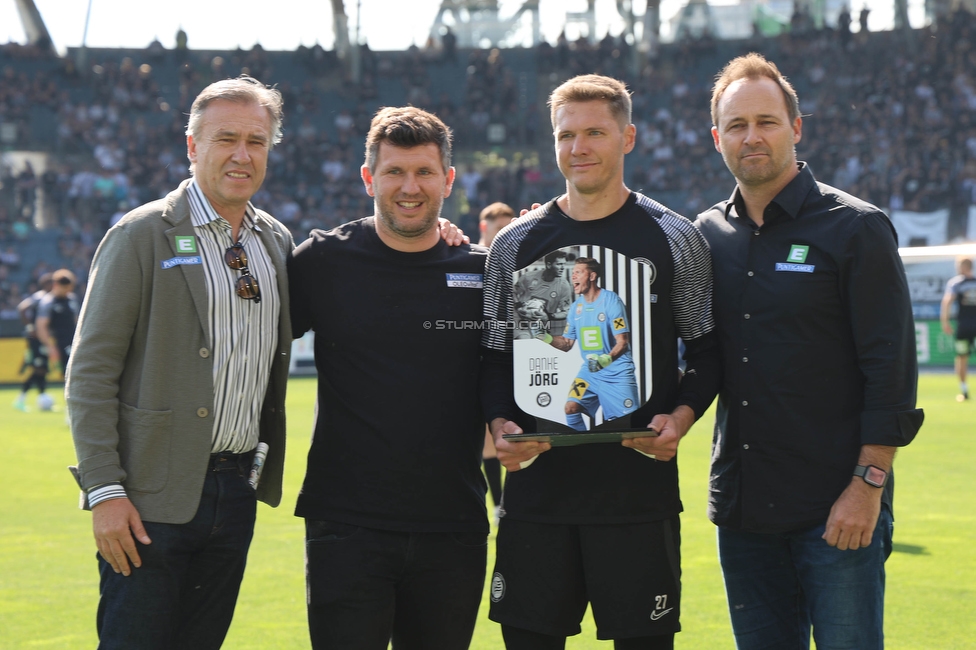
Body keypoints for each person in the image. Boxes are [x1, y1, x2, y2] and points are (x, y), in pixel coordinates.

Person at [482, 74, 720, 649]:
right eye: (566, 135)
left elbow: (710, 352)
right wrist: (498, 424)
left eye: (595, 132)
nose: (578, 147)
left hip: (637, 498)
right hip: (538, 497)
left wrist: (681, 418)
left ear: (628, 137)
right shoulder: (514, 243)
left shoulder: (674, 237)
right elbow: (492, 357)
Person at [695, 53, 924, 650]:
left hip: (837, 507)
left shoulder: (855, 228)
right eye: (737, 125)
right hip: (744, 513)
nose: (752, 137)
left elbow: (891, 372)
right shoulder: (704, 235)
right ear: (717, 137)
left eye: (766, 121)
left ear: (796, 128)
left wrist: (867, 485)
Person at [66, 76, 295, 650]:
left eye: (257, 141)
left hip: (235, 491)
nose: (242, 154)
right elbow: (90, 372)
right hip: (148, 498)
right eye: (226, 139)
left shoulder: (275, 242)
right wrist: (103, 491)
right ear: (192, 146)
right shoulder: (142, 233)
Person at [288, 106, 488, 650]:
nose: (409, 187)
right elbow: (245, 339)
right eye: (395, 172)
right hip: (346, 526)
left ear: (448, 180)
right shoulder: (321, 262)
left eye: (424, 172)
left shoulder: (480, 270)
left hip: (453, 525)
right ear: (368, 177)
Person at [533, 256, 640, 431]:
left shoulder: (611, 301)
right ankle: (584, 446)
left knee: (625, 426)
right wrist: (545, 337)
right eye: (573, 273)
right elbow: (567, 344)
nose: (573, 276)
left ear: (592, 276)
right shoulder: (576, 308)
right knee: (571, 408)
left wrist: (605, 360)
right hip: (590, 373)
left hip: (616, 372)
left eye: (578, 272)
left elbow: (623, 342)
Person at [479, 201, 515, 520]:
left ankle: (501, 504)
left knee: (502, 439)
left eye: (508, 226)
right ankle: (495, 504)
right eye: (497, 228)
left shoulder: (518, 262)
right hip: (472, 364)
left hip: (507, 364)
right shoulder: (471, 260)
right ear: (484, 228)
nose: (503, 233)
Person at [13, 272, 53, 411]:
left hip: (42, 337)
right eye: (51, 283)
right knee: (39, 367)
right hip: (35, 338)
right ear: (46, 284)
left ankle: (41, 397)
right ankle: (21, 399)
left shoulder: (49, 298)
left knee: (42, 368)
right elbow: (22, 308)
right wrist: (30, 327)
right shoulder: (40, 296)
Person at [512, 249, 574, 338]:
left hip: (540, 325)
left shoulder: (564, 286)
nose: (562, 267)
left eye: (564, 264)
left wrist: (549, 316)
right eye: (559, 264)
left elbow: (566, 311)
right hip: (520, 320)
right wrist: (518, 305)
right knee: (524, 338)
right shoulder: (529, 277)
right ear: (549, 265)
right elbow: (512, 292)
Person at [940, 257, 976, 401]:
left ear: (962, 267)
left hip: (964, 326)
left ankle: (964, 391)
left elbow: (947, 301)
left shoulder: (956, 283)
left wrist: (945, 322)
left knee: (961, 358)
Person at [35, 268, 80, 378]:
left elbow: (77, 320)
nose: (68, 290)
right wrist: (50, 347)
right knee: (67, 374)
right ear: (56, 285)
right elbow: (41, 326)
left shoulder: (72, 299)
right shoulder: (48, 302)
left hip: (74, 341)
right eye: (65, 288)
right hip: (59, 343)